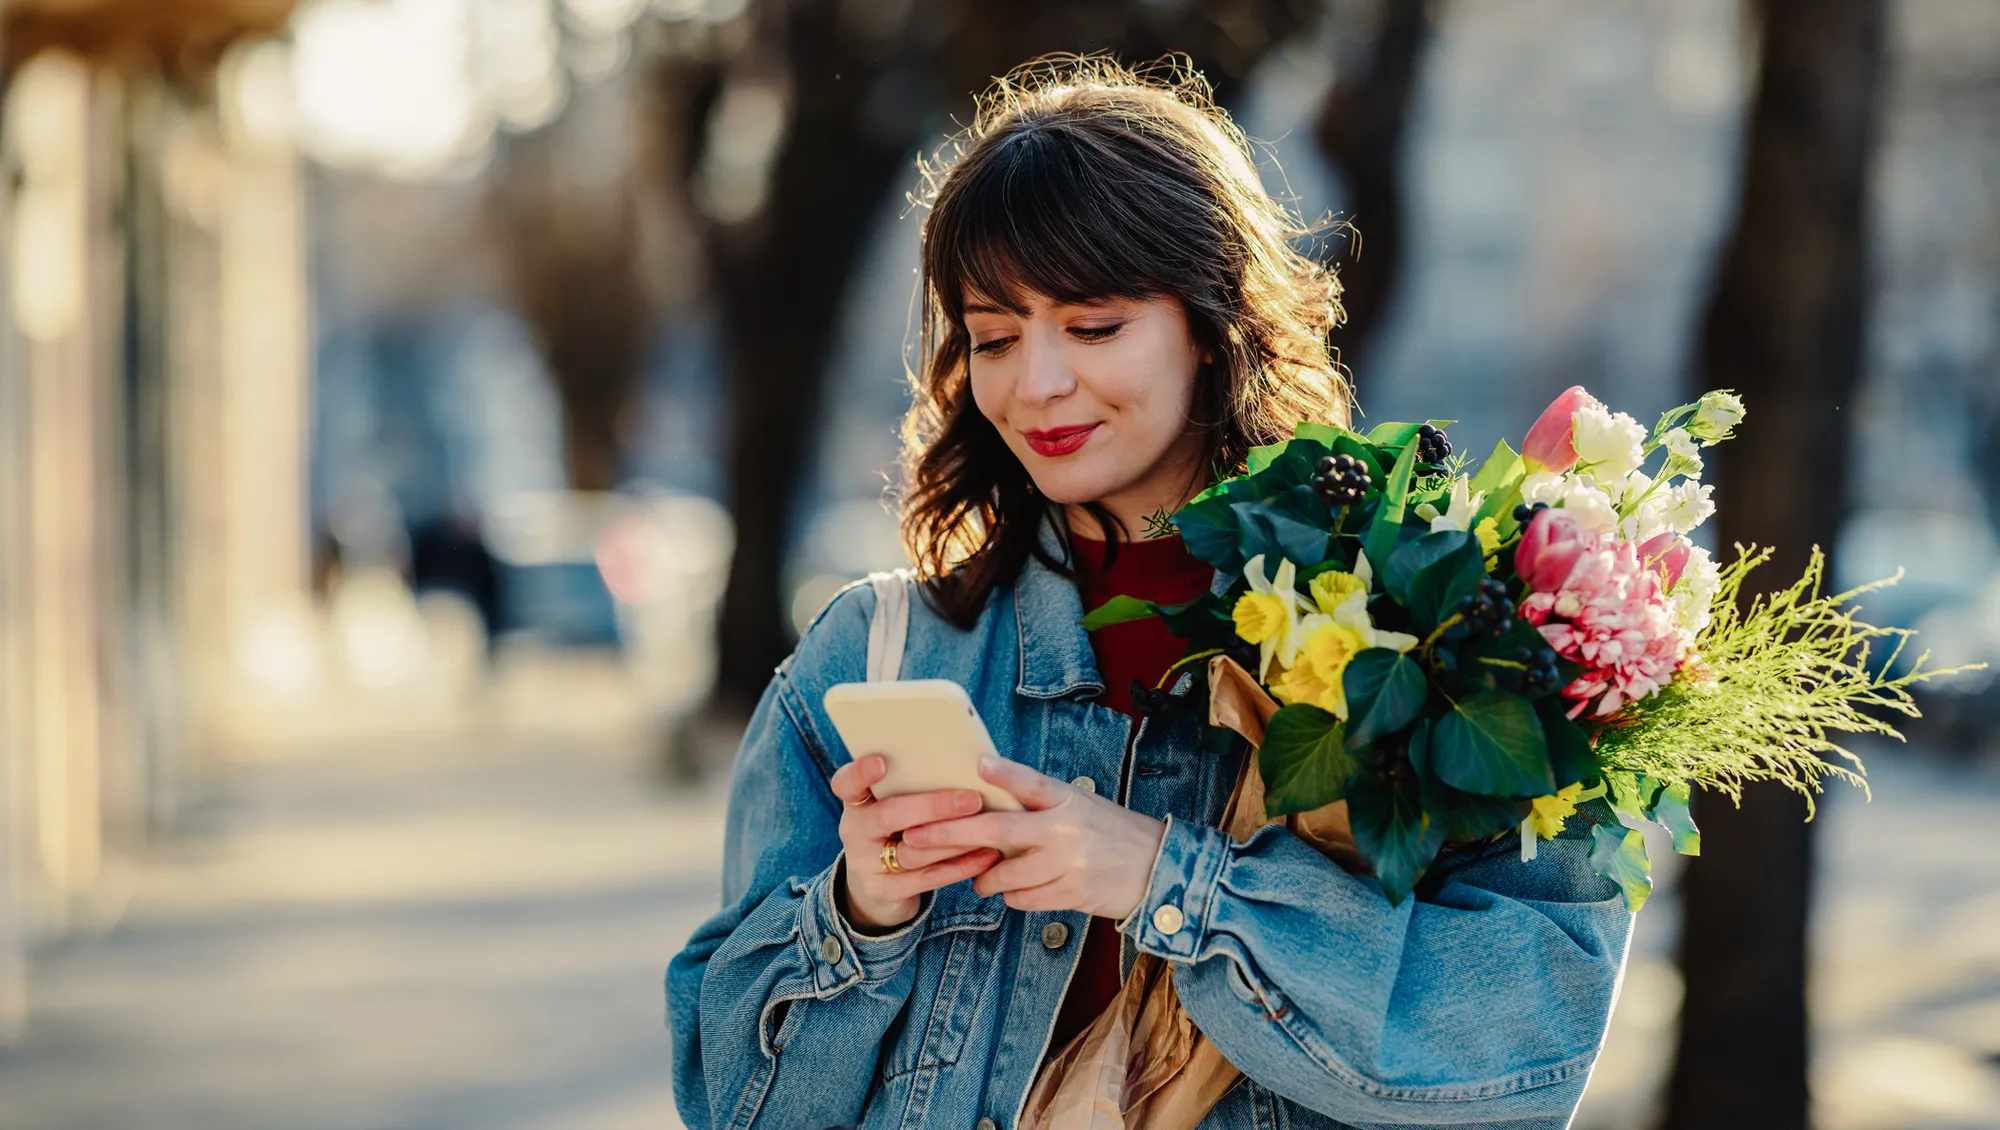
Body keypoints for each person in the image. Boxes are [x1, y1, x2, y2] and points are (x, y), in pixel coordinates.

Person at [667, 56, 1632, 1130]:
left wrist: (1166, 881)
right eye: (992, 337)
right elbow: (733, 1107)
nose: (1033, 384)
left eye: (1090, 327)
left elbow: (1526, 1049)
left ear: (1212, 325)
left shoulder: (1429, 634)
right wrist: (860, 913)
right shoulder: (871, 656)